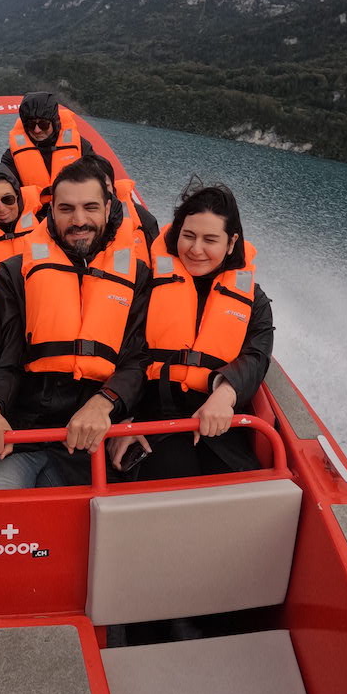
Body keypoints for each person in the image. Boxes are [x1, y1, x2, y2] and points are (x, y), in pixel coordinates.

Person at [0, 159, 150, 489]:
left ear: (108, 208)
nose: (79, 221)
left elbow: (136, 361)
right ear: (51, 212)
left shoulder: (137, 275)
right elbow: (5, 360)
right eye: (66, 209)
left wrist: (105, 401)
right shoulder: (13, 274)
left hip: (98, 432)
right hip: (27, 430)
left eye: (90, 207)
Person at [111, 180, 274, 481]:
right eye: (188, 236)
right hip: (151, 418)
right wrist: (122, 422)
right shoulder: (146, 283)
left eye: (210, 240)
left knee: (240, 486)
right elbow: (124, 352)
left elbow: (257, 354)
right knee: (174, 476)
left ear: (231, 242)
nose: (196, 249)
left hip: (218, 423)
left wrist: (226, 394)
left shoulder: (254, 299)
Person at [0, 92, 95, 190]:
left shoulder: (82, 147)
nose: (37, 130)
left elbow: (97, 182)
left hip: (73, 203)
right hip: (36, 205)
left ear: (55, 123)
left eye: (43, 124)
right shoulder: (11, 157)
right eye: (31, 125)